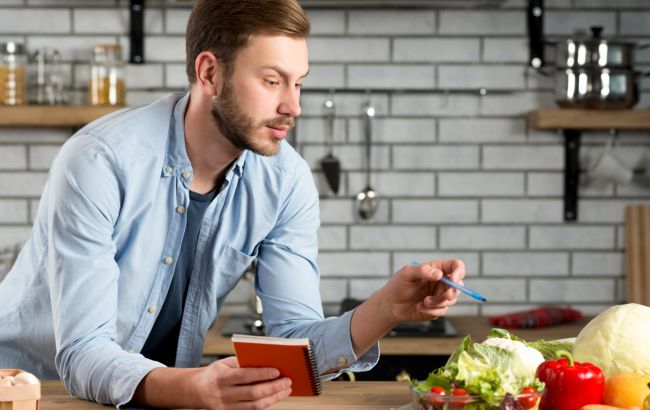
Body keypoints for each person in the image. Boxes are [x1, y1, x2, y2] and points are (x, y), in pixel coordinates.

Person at [0, 0, 464, 408]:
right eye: (272, 81)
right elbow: (83, 352)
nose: (293, 106)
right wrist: (195, 390)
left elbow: (293, 345)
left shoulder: (287, 181)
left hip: (163, 396)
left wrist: (386, 308)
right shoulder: (100, 161)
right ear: (209, 74)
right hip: (36, 392)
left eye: (298, 83)